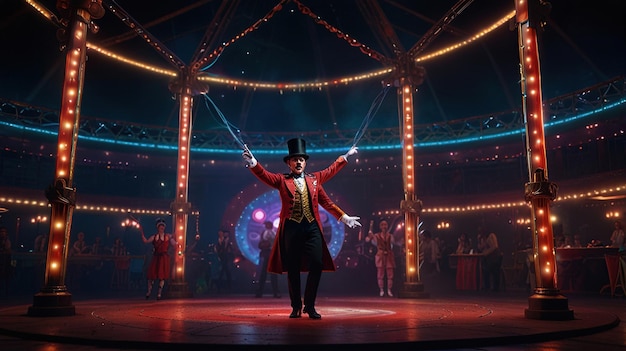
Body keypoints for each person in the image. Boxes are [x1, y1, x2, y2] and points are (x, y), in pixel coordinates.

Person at [242, 138, 361, 319]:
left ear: (305, 162)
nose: (298, 162)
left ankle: (310, 305)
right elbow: (265, 175)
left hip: (312, 227)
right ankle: (296, 306)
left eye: (301, 159)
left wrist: (344, 218)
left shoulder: (315, 179)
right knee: (293, 268)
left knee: (317, 264)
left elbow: (328, 193)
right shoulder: (282, 180)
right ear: (289, 163)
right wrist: (253, 162)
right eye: (295, 159)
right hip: (291, 228)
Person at [140, 218, 178, 300]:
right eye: (160, 226)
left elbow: (174, 242)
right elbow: (146, 241)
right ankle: (149, 292)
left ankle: (159, 294)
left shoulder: (167, 236)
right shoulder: (154, 236)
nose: (162, 228)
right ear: (158, 227)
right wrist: (143, 237)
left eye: (163, 226)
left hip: (164, 258)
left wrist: (176, 243)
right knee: (151, 276)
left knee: (162, 276)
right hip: (156, 257)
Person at [366, 220, 395, 297]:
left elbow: (392, 244)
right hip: (380, 255)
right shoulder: (376, 236)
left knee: (390, 274)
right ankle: (381, 290)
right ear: (380, 227)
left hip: (389, 255)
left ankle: (389, 290)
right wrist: (370, 237)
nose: (384, 226)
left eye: (385, 225)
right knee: (380, 273)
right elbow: (369, 240)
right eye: (382, 225)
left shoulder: (390, 236)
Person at [255, 221, 280, 298]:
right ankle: (260, 292)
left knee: (272, 274)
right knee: (263, 274)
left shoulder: (273, 233)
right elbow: (261, 243)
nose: (266, 226)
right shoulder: (265, 232)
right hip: (266, 254)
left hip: (271, 254)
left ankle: (275, 292)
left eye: (267, 225)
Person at [478, 227, 503, 291]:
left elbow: (495, 246)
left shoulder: (491, 236)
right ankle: (487, 286)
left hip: (495, 256)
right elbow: (480, 248)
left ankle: (496, 288)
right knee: (486, 272)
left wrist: (486, 252)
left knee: (495, 272)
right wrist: (479, 240)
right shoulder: (483, 238)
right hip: (488, 258)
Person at [0, 226, 12, 296]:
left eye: (4, 232)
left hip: (5, 262)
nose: (2, 233)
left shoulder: (7, 240)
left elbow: (8, 249)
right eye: (1, 232)